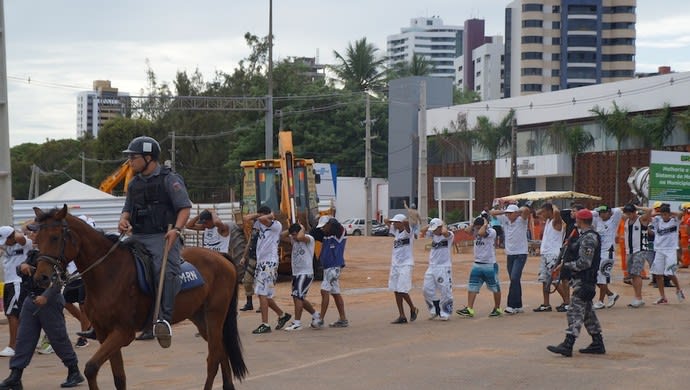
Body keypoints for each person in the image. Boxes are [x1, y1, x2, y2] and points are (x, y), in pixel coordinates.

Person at [119, 135, 192, 348]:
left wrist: (177, 230)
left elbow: (184, 208)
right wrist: (123, 219)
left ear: (149, 158)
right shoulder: (134, 183)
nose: (130, 161)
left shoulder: (170, 179)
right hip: (138, 236)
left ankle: (163, 320)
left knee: (165, 271)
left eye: (133, 157)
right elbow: (127, 209)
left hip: (163, 236)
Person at [0, 245, 85, 388]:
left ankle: (74, 371)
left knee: (58, 338)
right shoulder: (33, 253)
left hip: (49, 301)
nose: (31, 235)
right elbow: (21, 272)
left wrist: (46, 296)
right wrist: (22, 267)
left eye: (33, 232)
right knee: (23, 338)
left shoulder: (55, 255)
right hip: (31, 299)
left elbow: (59, 280)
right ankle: (15, 375)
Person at [547, 208, 605, 357]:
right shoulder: (584, 236)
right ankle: (597, 343)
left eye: (577, 219)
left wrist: (566, 266)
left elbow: (585, 262)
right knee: (588, 314)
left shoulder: (588, 238)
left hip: (585, 281)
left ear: (581, 221)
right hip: (584, 281)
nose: (575, 221)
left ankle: (568, 344)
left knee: (574, 312)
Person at [243, 206, 291, 334]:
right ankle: (282, 315)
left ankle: (265, 324)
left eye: (261, 216)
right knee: (265, 295)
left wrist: (266, 215)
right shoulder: (262, 225)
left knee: (261, 293)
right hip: (262, 262)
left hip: (268, 262)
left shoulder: (276, 225)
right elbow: (245, 218)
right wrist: (263, 216)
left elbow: (263, 218)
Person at [456, 215, 502, 318]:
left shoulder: (491, 231)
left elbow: (481, 233)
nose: (476, 229)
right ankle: (469, 308)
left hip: (489, 264)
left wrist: (485, 225)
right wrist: (473, 224)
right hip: (477, 263)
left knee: (495, 288)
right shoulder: (476, 230)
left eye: (478, 227)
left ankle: (497, 308)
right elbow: (467, 231)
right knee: (472, 287)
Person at [490, 204, 531, 314]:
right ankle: (518, 305)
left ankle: (511, 305)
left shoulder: (522, 220)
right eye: (507, 213)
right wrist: (505, 212)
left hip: (521, 253)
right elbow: (492, 213)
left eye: (510, 213)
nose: (508, 215)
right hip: (510, 254)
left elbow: (526, 210)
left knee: (514, 278)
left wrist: (517, 212)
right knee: (515, 280)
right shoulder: (505, 219)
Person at [0, 226, 33, 358]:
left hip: (17, 282)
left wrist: (16, 231)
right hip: (9, 282)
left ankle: (13, 346)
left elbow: (20, 237)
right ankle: (23, 342)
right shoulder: (6, 246)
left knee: (13, 314)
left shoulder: (25, 243)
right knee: (10, 314)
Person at [311, 216, 349, 328]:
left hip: (334, 267)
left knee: (324, 291)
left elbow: (339, 226)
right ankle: (343, 319)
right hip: (328, 267)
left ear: (330, 225)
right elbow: (313, 232)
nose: (322, 229)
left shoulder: (339, 234)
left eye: (324, 226)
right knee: (336, 293)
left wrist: (331, 220)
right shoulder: (325, 235)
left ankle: (321, 319)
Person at [280, 223, 319, 331]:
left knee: (298, 296)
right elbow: (281, 236)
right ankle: (316, 315)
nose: (293, 237)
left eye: (294, 234)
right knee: (298, 297)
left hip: (305, 273)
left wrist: (301, 228)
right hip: (297, 273)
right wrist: (291, 229)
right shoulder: (294, 239)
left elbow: (301, 237)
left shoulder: (308, 239)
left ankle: (297, 323)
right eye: (292, 235)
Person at [384, 214, 419, 324]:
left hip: (406, 264)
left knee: (402, 289)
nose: (394, 224)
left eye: (396, 222)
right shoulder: (395, 231)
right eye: (394, 223)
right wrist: (391, 221)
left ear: (401, 223)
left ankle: (413, 308)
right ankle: (402, 315)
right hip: (395, 264)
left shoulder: (408, 232)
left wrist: (407, 220)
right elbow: (386, 221)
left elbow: (407, 225)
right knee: (396, 289)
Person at [534, 203, 567, 312]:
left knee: (554, 280)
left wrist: (552, 204)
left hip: (553, 255)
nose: (541, 214)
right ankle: (546, 304)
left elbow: (557, 212)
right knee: (545, 280)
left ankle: (567, 302)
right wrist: (545, 208)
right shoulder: (548, 221)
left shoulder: (556, 222)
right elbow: (536, 213)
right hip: (545, 255)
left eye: (544, 212)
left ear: (550, 211)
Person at [649, 203, 685, 304]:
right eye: (662, 214)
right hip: (659, 250)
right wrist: (657, 214)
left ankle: (678, 289)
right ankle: (662, 297)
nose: (664, 216)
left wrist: (670, 213)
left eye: (666, 214)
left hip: (671, 250)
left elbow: (681, 213)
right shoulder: (657, 221)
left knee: (669, 272)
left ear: (669, 214)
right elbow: (648, 217)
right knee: (658, 274)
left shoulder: (675, 221)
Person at [420, 218, 454, 320]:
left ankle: (445, 312)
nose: (433, 231)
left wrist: (441, 224)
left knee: (445, 290)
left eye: (436, 229)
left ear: (440, 227)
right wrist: (431, 225)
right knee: (426, 289)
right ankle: (435, 309)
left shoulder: (449, 235)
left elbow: (444, 232)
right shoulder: (433, 234)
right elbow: (422, 231)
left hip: (443, 267)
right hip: (432, 266)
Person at [620, 204, 654, 308]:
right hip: (629, 250)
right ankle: (637, 297)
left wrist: (637, 207)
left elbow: (649, 210)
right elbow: (617, 210)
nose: (629, 215)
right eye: (627, 213)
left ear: (634, 212)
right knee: (632, 274)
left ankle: (638, 298)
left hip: (640, 249)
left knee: (636, 273)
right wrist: (625, 207)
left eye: (631, 213)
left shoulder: (641, 219)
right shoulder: (625, 219)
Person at [591, 205, 624, 309]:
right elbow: (591, 214)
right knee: (595, 277)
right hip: (598, 252)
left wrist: (609, 209)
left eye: (604, 212)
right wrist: (597, 210)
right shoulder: (598, 221)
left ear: (609, 213)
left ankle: (601, 301)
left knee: (602, 277)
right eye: (601, 213)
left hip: (608, 252)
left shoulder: (613, 221)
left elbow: (618, 210)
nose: (602, 214)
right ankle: (610, 295)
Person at [238, 226, 259, 312]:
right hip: (252, 259)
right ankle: (249, 303)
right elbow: (249, 244)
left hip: (262, 260)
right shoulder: (253, 231)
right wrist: (243, 257)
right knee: (246, 281)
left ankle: (262, 305)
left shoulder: (266, 231)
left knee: (260, 283)